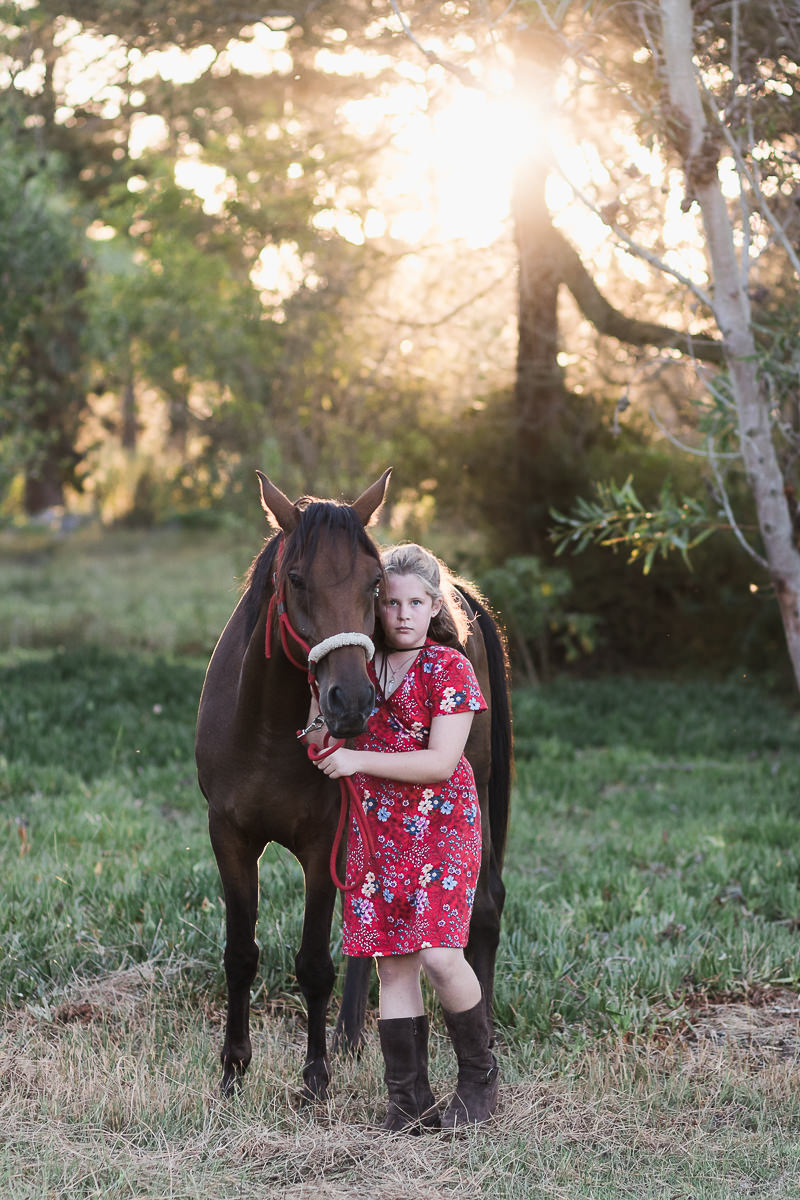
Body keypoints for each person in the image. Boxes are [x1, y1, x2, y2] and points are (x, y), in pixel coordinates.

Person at [306, 543, 499, 1133]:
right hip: (376, 829)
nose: (403, 614)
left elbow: (442, 762)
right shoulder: (359, 666)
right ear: (376, 607)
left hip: (439, 823)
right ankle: (408, 1098)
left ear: (435, 605)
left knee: (440, 954)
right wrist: (320, 730)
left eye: (416, 602)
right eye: (390, 602)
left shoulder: (449, 668)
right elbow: (320, 738)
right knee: (393, 966)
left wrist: (357, 759)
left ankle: (477, 1075)